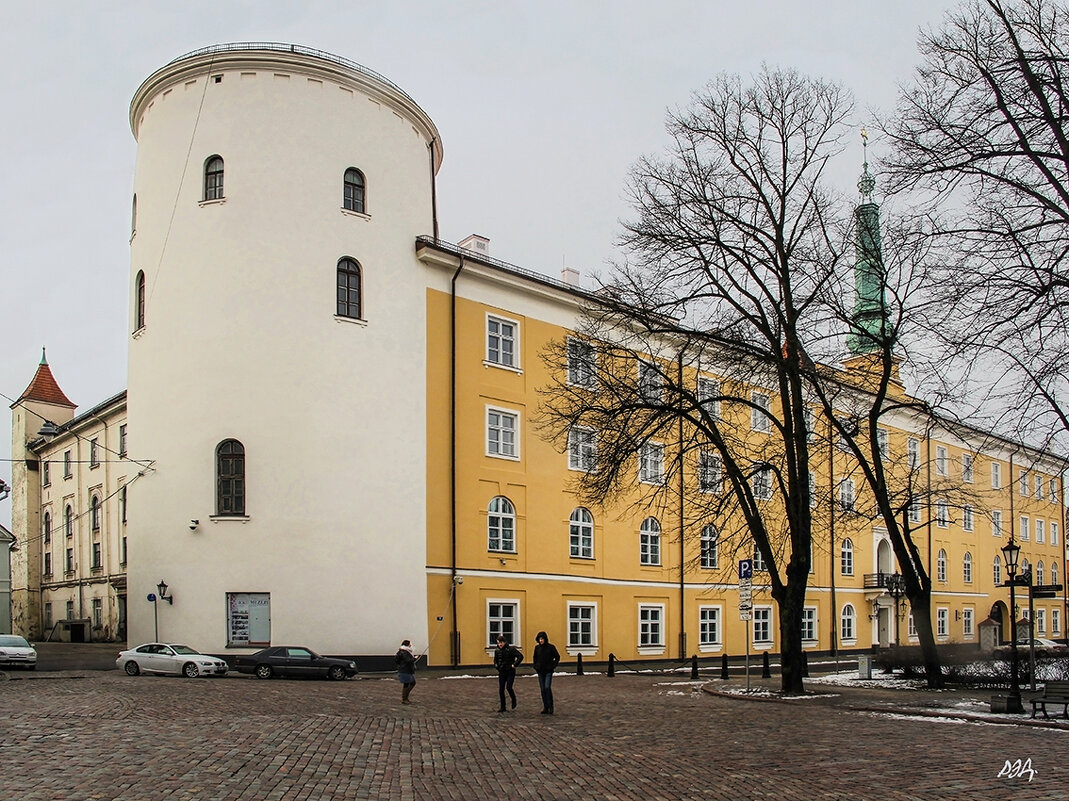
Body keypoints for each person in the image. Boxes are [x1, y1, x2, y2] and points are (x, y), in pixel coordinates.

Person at [532, 631, 560, 714]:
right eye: (540, 639)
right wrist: (535, 666)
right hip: (540, 671)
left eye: (542, 639)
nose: (541, 641)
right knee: (543, 689)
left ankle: (551, 706)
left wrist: (552, 666)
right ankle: (545, 707)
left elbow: (557, 657)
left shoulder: (551, 647)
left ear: (545, 639)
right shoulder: (537, 648)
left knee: (547, 687)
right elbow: (535, 658)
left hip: (548, 671)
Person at [492, 634, 523, 712]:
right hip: (502, 671)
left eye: (501, 642)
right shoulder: (497, 650)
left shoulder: (511, 649)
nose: (500, 644)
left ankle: (513, 699)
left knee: (509, 687)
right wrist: (497, 666)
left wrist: (514, 664)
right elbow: (495, 660)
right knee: (501, 689)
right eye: (499, 643)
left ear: (505, 642)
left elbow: (520, 656)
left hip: (510, 671)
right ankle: (503, 707)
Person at [395, 639, 416, 704]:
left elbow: (396, 660)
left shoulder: (401, 651)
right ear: (407, 644)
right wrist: (414, 658)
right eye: (410, 644)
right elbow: (408, 661)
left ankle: (406, 697)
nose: (411, 645)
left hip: (406, 670)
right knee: (407, 684)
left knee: (412, 682)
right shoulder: (405, 652)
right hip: (405, 670)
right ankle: (404, 699)